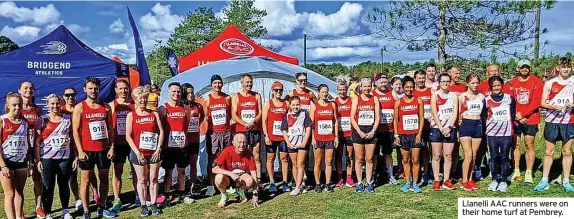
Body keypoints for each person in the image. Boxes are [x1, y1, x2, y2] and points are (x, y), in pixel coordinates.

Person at [72, 77, 117, 219]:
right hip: (86, 151)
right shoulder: (80, 107)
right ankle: (86, 211)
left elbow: (111, 129)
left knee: (104, 179)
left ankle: (102, 206)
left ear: (99, 89)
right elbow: (75, 130)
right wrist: (79, 151)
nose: (93, 91)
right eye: (90, 88)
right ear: (85, 89)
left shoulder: (106, 107)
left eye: (95, 88)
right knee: (85, 181)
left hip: (103, 150)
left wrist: (112, 147)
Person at [535, 57, 574, 192]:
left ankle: (566, 181)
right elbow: (542, 103)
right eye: (563, 67)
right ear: (557, 68)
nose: (565, 69)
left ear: (571, 68)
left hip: (569, 121)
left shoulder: (573, 82)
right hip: (552, 121)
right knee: (548, 152)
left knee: (567, 151)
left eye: (568, 67)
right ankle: (544, 180)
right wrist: (553, 107)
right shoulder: (550, 83)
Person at [125, 86, 164, 216]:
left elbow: (161, 131)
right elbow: (128, 136)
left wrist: (159, 148)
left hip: (154, 152)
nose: (143, 101)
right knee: (142, 180)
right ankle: (143, 204)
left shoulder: (154, 113)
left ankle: (153, 203)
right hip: (139, 153)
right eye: (141, 98)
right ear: (135, 99)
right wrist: (137, 152)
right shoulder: (131, 115)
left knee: (153, 178)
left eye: (145, 98)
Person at [35, 94, 74, 219]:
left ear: (61, 103)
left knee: (63, 184)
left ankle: (65, 210)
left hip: (65, 158)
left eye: (57, 103)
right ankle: (48, 213)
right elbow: (37, 141)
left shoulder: (68, 119)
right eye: (52, 103)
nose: (55, 106)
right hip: (47, 158)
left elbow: (73, 139)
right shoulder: (42, 120)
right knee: (48, 186)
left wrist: (76, 157)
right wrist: (38, 160)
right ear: (47, 105)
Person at [62, 88, 98, 212]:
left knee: (90, 172)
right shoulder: (61, 110)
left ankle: (95, 192)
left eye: (72, 95)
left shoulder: (81, 107)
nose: (70, 97)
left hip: (83, 145)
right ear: (63, 96)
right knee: (73, 175)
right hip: (67, 147)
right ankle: (77, 199)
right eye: (67, 95)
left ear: (76, 95)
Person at [507, 60, 543, 183]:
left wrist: (524, 114)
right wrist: (516, 114)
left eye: (527, 67)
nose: (525, 69)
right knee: (515, 144)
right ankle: (516, 170)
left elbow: (536, 101)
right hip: (516, 119)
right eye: (522, 67)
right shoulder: (512, 83)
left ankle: (529, 172)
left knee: (529, 144)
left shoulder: (536, 82)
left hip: (530, 118)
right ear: (518, 68)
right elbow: (509, 100)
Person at [158, 82, 190, 204]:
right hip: (168, 146)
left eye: (178, 91)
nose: (176, 93)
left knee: (181, 170)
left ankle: (182, 193)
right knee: (169, 171)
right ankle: (167, 194)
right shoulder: (163, 108)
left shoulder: (185, 108)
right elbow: (159, 127)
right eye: (174, 91)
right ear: (169, 92)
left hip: (182, 145)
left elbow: (186, 126)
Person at [485, 76, 516, 192]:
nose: (496, 88)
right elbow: (484, 115)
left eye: (498, 85)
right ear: (491, 87)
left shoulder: (509, 98)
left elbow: (512, 114)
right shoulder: (487, 100)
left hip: (506, 132)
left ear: (502, 85)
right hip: (492, 133)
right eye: (494, 86)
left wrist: (510, 127)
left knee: (504, 156)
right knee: (493, 157)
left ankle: (503, 180)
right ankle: (494, 178)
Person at [0, 93, 29, 219]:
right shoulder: (2, 120)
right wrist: (3, 166)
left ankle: (18, 216)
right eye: (14, 105)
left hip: (21, 161)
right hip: (6, 161)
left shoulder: (25, 121)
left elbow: (27, 141)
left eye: (19, 104)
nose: (17, 107)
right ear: (7, 105)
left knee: (19, 192)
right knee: (9, 194)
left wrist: (30, 162)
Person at [394, 76, 425, 193]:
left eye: (411, 87)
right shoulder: (398, 102)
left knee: (416, 160)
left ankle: (415, 183)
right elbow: (395, 119)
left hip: (415, 134)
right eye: (407, 87)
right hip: (403, 135)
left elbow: (421, 118)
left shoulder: (418, 100)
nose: (409, 89)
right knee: (405, 160)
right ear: (403, 88)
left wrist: (419, 134)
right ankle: (408, 182)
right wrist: (396, 135)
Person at [109, 80, 136, 212]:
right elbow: (109, 127)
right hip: (118, 144)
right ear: (116, 90)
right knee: (117, 172)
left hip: (132, 144)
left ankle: (138, 195)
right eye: (121, 89)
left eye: (126, 88)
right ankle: (117, 199)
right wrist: (111, 146)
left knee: (136, 171)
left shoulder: (134, 104)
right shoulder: (112, 106)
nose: (124, 91)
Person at [18, 81, 44, 218]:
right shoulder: (15, 108)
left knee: (38, 178)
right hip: (21, 149)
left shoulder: (37, 110)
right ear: (20, 90)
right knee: (20, 182)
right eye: (25, 88)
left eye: (30, 88)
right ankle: (19, 210)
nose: (28, 90)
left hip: (35, 148)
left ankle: (39, 207)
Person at [231, 74, 263, 186]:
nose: (249, 84)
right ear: (242, 83)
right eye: (247, 82)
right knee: (242, 155)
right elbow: (233, 115)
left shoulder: (257, 96)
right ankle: (242, 179)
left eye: (250, 82)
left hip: (254, 129)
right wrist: (245, 124)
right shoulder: (236, 97)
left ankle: (258, 180)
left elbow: (260, 112)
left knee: (256, 155)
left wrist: (253, 122)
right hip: (241, 130)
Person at [213, 133, 260, 208]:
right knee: (218, 178)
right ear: (233, 143)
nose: (242, 145)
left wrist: (255, 194)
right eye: (239, 142)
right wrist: (230, 174)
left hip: (240, 179)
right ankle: (224, 195)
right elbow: (214, 169)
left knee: (250, 180)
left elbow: (254, 174)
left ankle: (240, 191)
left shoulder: (249, 153)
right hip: (227, 178)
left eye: (244, 142)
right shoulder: (227, 151)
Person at [429, 73, 458, 191]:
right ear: (439, 83)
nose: (445, 83)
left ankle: (446, 180)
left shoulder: (453, 96)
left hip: (450, 129)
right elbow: (434, 113)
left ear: (450, 82)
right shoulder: (435, 95)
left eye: (447, 81)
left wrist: (449, 127)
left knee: (448, 155)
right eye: (443, 81)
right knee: (436, 156)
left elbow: (455, 112)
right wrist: (441, 128)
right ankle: (437, 180)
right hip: (437, 128)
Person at [204, 75, 232, 196]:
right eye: (215, 83)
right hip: (213, 133)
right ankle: (211, 185)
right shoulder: (207, 99)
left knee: (226, 158)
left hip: (226, 132)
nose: (217, 85)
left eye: (219, 83)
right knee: (212, 159)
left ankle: (227, 183)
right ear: (211, 85)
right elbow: (205, 116)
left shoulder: (227, 98)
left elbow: (230, 115)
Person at [350, 77, 380, 193]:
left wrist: (373, 131)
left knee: (369, 159)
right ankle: (359, 183)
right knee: (359, 159)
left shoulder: (375, 99)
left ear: (371, 86)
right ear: (361, 87)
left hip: (371, 131)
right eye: (365, 86)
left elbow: (377, 117)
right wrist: (359, 132)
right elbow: (352, 117)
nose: (367, 88)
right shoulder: (356, 100)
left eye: (369, 86)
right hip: (359, 132)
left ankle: (369, 182)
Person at [262, 81, 290, 193]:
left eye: (280, 90)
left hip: (283, 137)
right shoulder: (268, 104)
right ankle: (272, 181)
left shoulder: (286, 103)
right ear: (272, 91)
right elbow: (264, 121)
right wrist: (266, 135)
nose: (278, 92)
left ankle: (285, 182)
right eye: (276, 90)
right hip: (271, 137)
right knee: (270, 159)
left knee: (284, 159)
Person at [310, 84, 339, 193]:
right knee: (318, 162)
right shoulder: (314, 106)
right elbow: (311, 124)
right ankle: (318, 183)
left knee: (329, 161)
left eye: (326, 92)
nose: (325, 94)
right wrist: (313, 138)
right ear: (318, 93)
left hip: (330, 138)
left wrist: (336, 137)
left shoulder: (332, 105)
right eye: (323, 92)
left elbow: (335, 121)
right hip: (318, 138)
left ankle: (328, 183)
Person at [458, 74, 485, 191]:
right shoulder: (462, 96)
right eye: (473, 83)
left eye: (477, 83)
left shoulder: (481, 96)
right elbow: (458, 113)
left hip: (477, 125)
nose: (475, 85)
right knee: (468, 155)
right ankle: (464, 181)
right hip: (466, 125)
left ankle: (470, 179)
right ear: (467, 83)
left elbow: (484, 113)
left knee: (474, 156)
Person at [281, 96, 312, 196]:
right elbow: (284, 131)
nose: (295, 107)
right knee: (294, 164)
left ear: (300, 104)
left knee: (300, 163)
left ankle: (298, 186)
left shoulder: (304, 114)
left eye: (297, 104)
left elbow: (308, 128)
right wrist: (288, 143)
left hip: (302, 143)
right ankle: (299, 185)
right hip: (292, 143)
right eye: (293, 105)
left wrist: (304, 141)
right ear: (290, 106)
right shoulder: (286, 116)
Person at [372, 74, 399, 185]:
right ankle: (373, 176)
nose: (383, 84)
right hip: (376, 131)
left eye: (385, 82)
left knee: (388, 154)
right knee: (374, 155)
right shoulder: (372, 95)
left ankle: (390, 176)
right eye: (381, 82)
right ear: (376, 83)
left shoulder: (392, 94)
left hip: (389, 131)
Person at [182, 83, 204, 203]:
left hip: (194, 139)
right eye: (188, 92)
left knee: (193, 164)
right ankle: (182, 186)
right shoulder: (181, 106)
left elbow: (201, 118)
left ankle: (193, 185)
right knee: (182, 166)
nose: (191, 95)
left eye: (192, 92)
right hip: (182, 141)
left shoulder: (198, 106)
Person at [413, 70, 433, 185]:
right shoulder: (413, 92)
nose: (420, 80)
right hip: (415, 127)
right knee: (416, 151)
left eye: (422, 78)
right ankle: (416, 172)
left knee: (426, 150)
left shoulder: (431, 91)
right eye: (418, 78)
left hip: (428, 126)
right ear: (415, 79)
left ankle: (426, 172)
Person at [334, 82, 356, 187]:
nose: (342, 92)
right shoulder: (334, 102)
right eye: (340, 90)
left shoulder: (352, 100)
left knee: (350, 155)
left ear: (347, 89)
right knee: (338, 156)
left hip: (349, 133)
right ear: (337, 90)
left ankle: (349, 177)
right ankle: (339, 177)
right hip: (339, 134)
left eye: (344, 89)